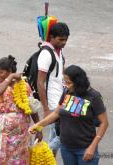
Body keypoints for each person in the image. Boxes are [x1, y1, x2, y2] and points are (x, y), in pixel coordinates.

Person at [29, 65, 109, 165]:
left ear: (79, 82)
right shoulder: (67, 92)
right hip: (66, 148)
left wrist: (92, 147)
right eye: (64, 81)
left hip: (85, 148)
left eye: (68, 82)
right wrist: (38, 125)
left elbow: (104, 123)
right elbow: (56, 113)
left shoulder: (94, 96)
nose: (66, 85)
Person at [0, 55, 42, 165]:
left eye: (1, 72)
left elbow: (32, 108)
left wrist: (39, 129)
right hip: (2, 131)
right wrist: (11, 77)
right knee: (2, 156)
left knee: (19, 158)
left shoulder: (24, 86)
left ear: (9, 71)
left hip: (21, 132)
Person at [37, 22, 70, 155]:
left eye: (66, 39)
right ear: (51, 37)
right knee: (61, 135)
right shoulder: (46, 54)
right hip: (52, 103)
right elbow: (40, 83)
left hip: (61, 99)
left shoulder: (59, 51)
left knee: (57, 134)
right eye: (61, 39)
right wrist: (45, 109)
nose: (64, 42)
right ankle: (44, 156)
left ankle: (48, 158)